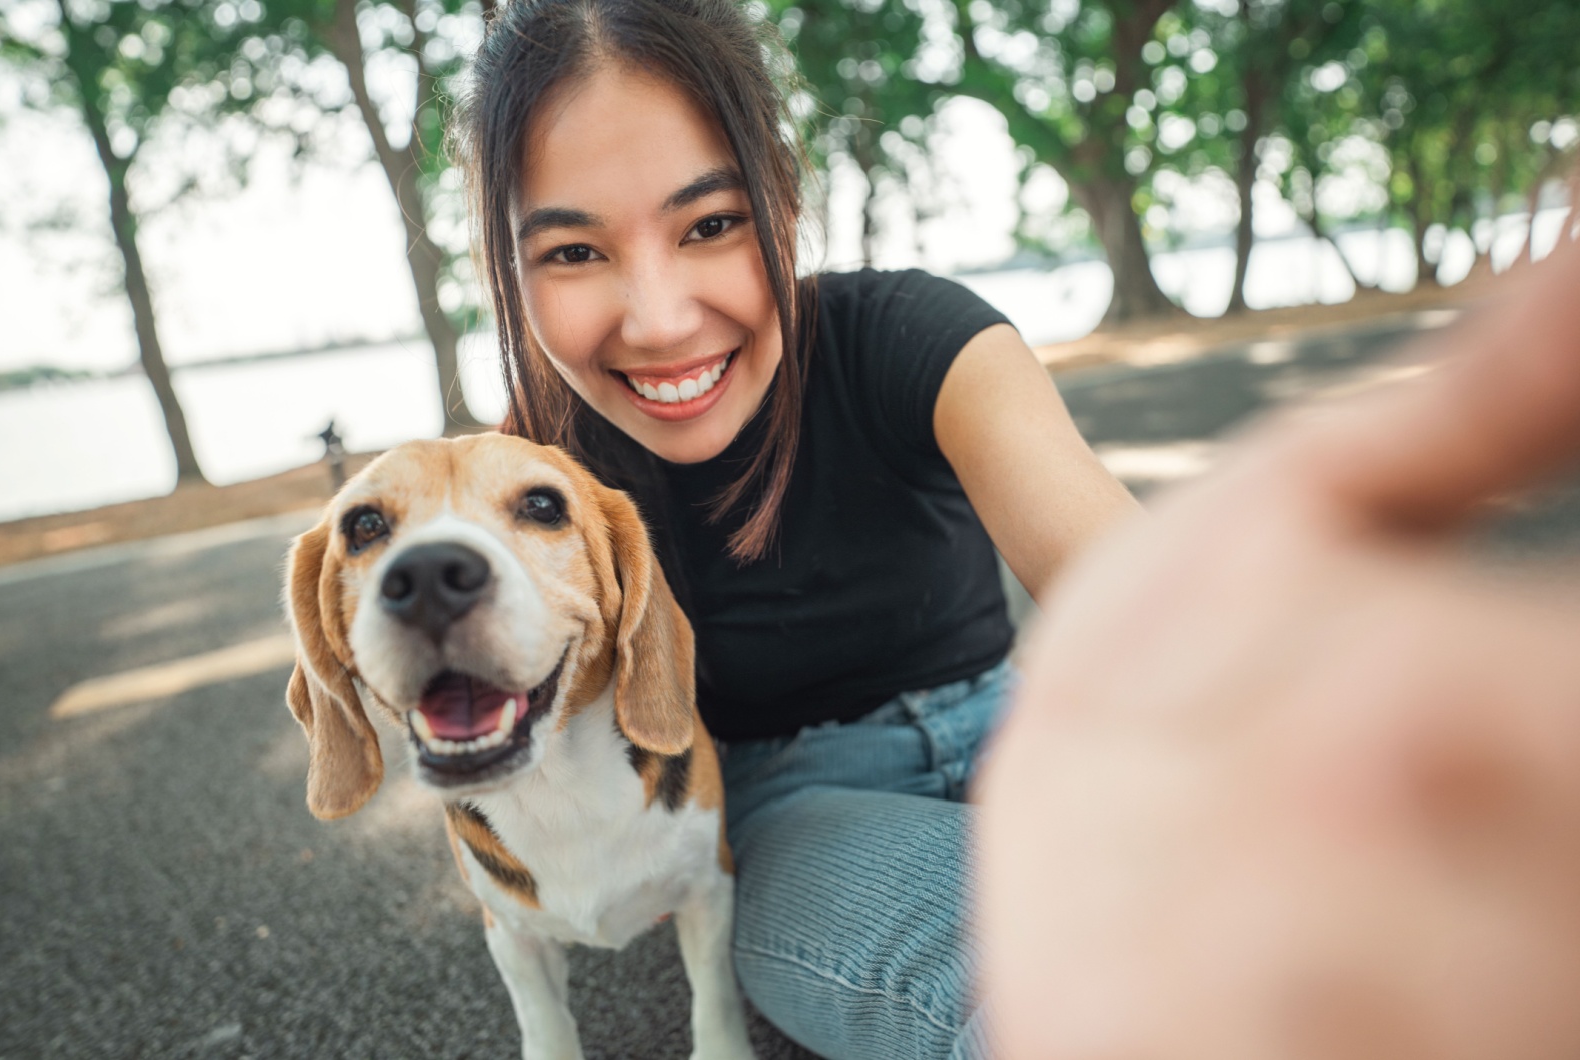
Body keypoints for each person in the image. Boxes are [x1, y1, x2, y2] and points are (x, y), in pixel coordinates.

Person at [454, 1, 1137, 1056]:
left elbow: (1143, 591)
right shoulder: (530, 488)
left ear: (782, 189)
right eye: (575, 251)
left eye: (711, 224)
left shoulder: (916, 337)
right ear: (503, 259)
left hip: (1031, 736)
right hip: (787, 813)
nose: (662, 317)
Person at [976, 240, 1580, 1059]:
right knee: (978, 964)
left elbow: (1129, 603)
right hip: (802, 799)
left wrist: (1183, 663)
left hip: (995, 710)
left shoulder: (919, 332)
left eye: (730, 222)